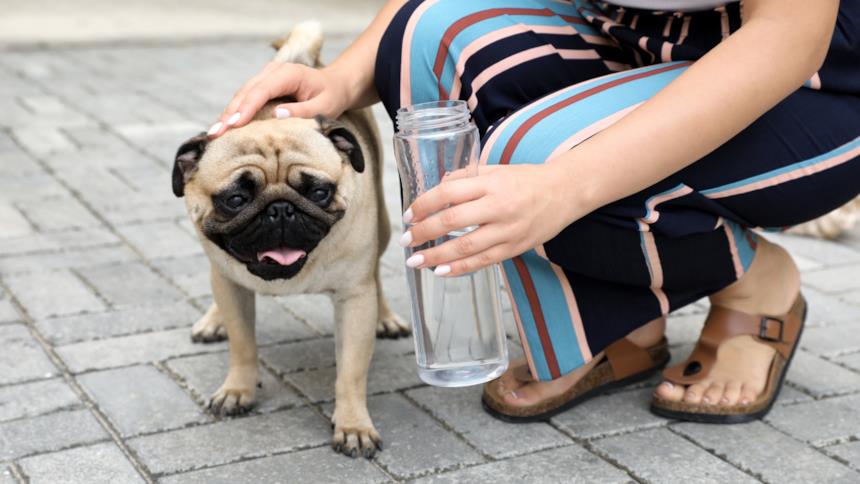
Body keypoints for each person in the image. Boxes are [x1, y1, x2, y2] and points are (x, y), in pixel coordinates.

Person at [209, 0, 859, 423]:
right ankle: (598, 321)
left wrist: (565, 184)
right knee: (430, 37)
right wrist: (343, 78)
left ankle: (754, 280)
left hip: (815, 71)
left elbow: (786, 37)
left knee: (533, 157)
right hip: (630, 32)